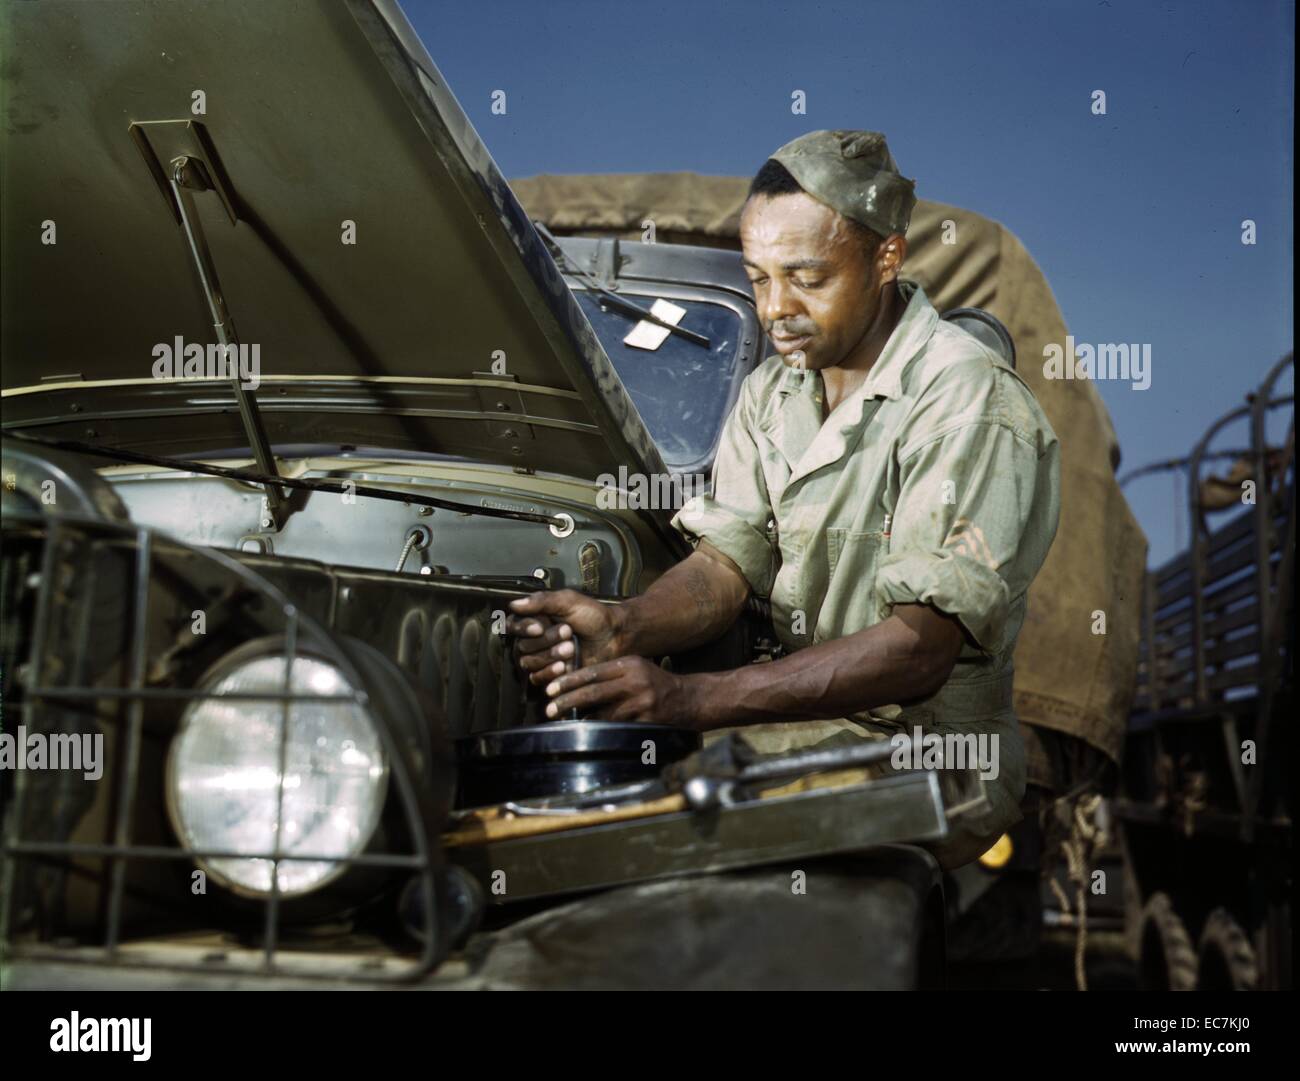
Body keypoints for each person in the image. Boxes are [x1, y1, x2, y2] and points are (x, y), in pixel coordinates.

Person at [507, 130, 1061, 867]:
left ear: (886, 259)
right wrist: (625, 623)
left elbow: (920, 649)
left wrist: (689, 702)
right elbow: (726, 563)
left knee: (644, 826)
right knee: (588, 793)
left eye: (806, 277)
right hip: (810, 724)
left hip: (931, 757)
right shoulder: (775, 391)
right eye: (759, 278)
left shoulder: (966, 399)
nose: (775, 309)